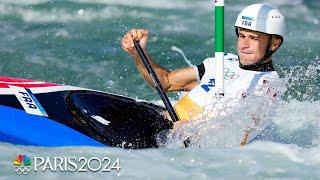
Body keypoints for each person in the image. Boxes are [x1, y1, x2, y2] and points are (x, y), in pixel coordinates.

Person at [121, 3, 286, 145]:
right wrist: (138, 54)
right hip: (160, 127)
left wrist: (192, 134)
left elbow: (239, 139)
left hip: (186, 146)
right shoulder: (222, 61)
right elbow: (166, 82)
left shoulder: (268, 86)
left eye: (254, 38)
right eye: (242, 36)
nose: (244, 44)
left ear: (274, 43)